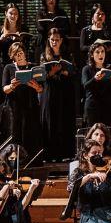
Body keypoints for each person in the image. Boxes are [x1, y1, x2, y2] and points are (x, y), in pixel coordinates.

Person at [38, 24, 78, 161]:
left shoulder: (67, 55)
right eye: (52, 39)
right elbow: (40, 75)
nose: (54, 42)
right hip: (49, 91)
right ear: (48, 40)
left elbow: (74, 71)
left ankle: (64, 154)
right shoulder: (44, 55)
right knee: (50, 120)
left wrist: (66, 71)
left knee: (63, 119)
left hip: (64, 90)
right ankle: (50, 155)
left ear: (61, 40)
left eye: (57, 39)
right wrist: (52, 72)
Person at [0, 41, 45, 158]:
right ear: (12, 56)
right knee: (15, 132)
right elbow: (4, 89)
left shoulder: (33, 67)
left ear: (25, 53)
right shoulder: (8, 68)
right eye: (16, 54)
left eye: (20, 53)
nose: (19, 56)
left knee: (31, 131)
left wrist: (36, 86)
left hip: (31, 104)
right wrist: (12, 86)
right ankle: (14, 159)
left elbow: (41, 89)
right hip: (15, 106)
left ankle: (32, 160)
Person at [81, 37, 111, 129]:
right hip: (93, 108)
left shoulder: (110, 68)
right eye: (97, 52)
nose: (100, 54)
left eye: (102, 51)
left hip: (109, 108)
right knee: (94, 136)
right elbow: (86, 86)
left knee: (109, 136)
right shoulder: (87, 69)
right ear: (92, 55)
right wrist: (95, 79)